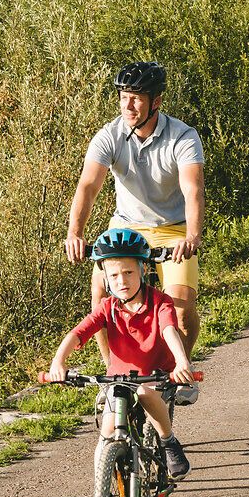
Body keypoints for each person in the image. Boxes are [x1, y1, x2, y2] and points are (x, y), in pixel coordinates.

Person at [47, 227, 196, 497]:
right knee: (105, 441)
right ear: (105, 277)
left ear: (143, 269)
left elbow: (170, 331)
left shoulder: (160, 303)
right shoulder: (108, 308)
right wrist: (59, 362)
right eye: (113, 275)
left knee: (143, 393)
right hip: (118, 377)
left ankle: (168, 442)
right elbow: (78, 334)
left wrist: (183, 363)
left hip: (154, 374)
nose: (122, 281)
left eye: (128, 272)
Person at [64, 61, 205, 347]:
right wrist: (75, 233)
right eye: (123, 97)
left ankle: (181, 371)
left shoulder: (183, 136)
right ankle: (112, 376)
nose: (128, 106)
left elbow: (193, 189)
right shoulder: (109, 135)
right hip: (126, 226)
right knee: (101, 296)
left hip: (173, 229)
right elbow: (88, 187)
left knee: (181, 304)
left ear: (156, 102)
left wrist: (192, 235)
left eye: (136, 99)